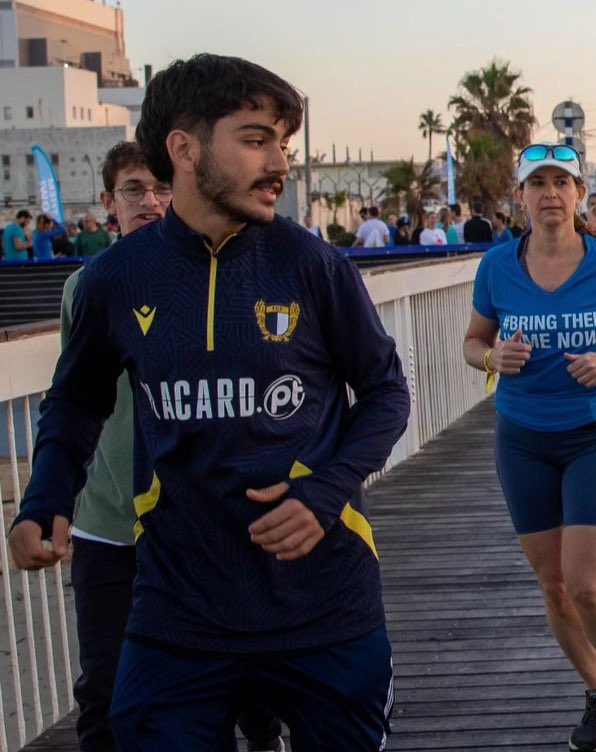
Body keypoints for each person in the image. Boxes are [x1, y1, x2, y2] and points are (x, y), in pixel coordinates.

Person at [8, 53, 410, 751]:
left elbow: (384, 393)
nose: (279, 162)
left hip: (326, 608)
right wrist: (45, 499)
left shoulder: (314, 266)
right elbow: (75, 403)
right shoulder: (116, 279)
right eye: (256, 139)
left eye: (282, 141)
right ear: (184, 148)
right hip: (178, 615)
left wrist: (324, 493)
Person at [59, 141, 285, 752]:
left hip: (200, 515)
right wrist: (48, 498)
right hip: (109, 521)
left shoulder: (209, 281)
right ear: (110, 203)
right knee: (105, 688)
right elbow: (74, 404)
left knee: (243, 684)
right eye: (135, 190)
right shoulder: (89, 288)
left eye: (162, 188)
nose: (151, 202)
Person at [462, 143, 596, 752]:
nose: (550, 194)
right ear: (520, 196)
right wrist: (494, 358)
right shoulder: (497, 267)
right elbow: (473, 343)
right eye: (537, 183)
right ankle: (594, 692)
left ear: (580, 194)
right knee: (552, 584)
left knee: (587, 584)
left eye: (562, 183)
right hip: (521, 437)